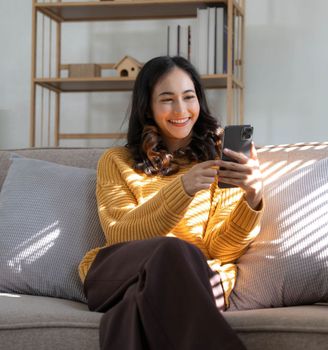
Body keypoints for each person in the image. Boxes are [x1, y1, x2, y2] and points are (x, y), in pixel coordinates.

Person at [78, 56, 264, 350]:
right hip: (117, 275)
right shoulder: (116, 162)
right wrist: (183, 189)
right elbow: (120, 234)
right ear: (148, 108)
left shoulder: (220, 157)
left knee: (132, 311)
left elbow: (221, 250)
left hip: (193, 280)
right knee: (172, 249)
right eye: (167, 100)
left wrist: (252, 199)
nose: (181, 110)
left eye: (189, 98)